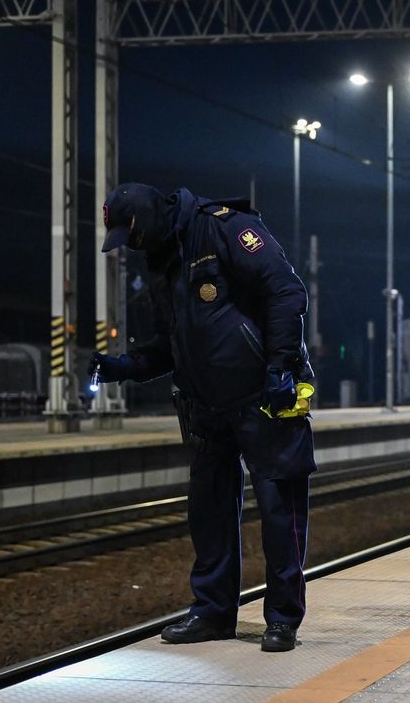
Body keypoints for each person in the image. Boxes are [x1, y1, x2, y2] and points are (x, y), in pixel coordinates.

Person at [91, 183, 316, 653]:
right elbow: (171, 344)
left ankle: (282, 619)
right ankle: (212, 613)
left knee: (280, 510)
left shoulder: (225, 229)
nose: (131, 247)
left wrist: (280, 366)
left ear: (145, 220)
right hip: (206, 406)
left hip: (263, 396)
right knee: (209, 513)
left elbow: (285, 291)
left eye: (130, 236)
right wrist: (126, 367)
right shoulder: (162, 261)